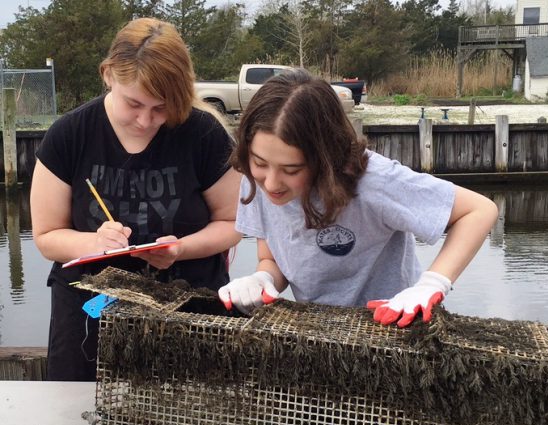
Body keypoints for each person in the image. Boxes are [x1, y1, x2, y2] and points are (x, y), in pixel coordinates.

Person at [30, 18, 241, 381]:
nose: (146, 120)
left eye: (161, 108)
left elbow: (235, 222)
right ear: (109, 74)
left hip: (187, 304)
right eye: (135, 103)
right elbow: (47, 236)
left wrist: (180, 249)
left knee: (186, 414)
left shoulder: (204, 134)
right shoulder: (69, 134)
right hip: (88, 309)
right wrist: (95, 242)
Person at [218, 69, 498, 327]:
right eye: (260, 162)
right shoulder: (255, 181)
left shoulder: (374, 180)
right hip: (318, 328)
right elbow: (272, 258)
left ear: (324, 159)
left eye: (292, 169)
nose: (272, 183)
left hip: (392, 324)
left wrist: (431, 285)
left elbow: (479, 211)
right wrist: (262, 278)